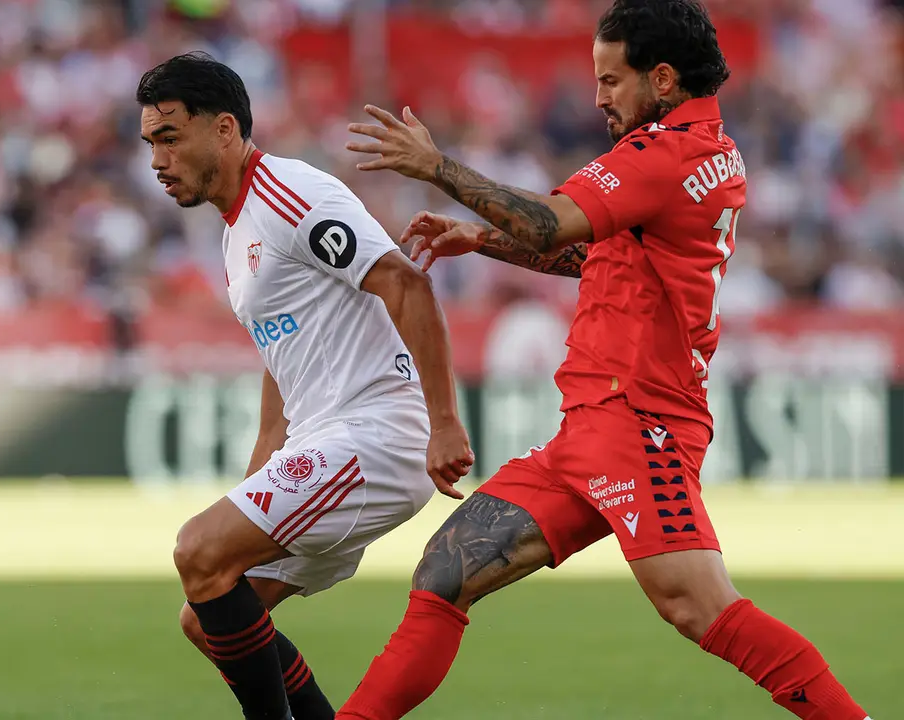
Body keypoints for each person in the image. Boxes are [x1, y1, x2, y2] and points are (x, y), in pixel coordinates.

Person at [335, 1, 873, 719]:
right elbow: (595, 252)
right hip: (593, 428)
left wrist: (436, 166)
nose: (598, 97)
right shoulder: (705, 150)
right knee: (445, 572)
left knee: (700, 606)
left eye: (611, 80)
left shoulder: (664, 155)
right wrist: (483, 239)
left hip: (639, 423)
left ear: (662, 78)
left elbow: (549, 223)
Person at [135, 52, 475, 720]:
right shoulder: (237, 230)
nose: (157, 160)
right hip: (325, 438)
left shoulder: (288, 195)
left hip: (376, 436)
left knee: (198, 552)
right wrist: (258, 475)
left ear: (225, 130)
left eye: (170, 138)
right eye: (150, 143)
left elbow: (405, 283)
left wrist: (443, 422)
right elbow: (281, 356)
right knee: (207, 616)